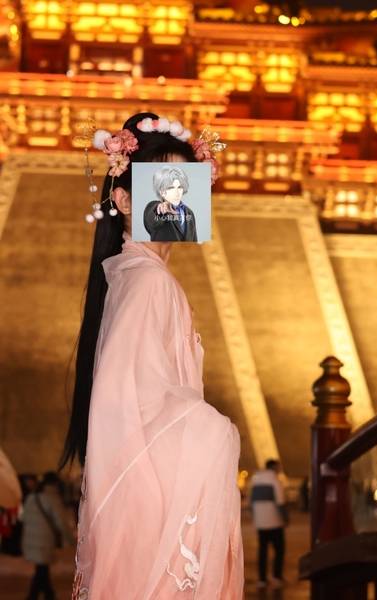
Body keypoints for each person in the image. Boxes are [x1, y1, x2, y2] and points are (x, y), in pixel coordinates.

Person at [59, 112, 244, 599]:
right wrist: (217, 429)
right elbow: (128, 405)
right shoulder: (148, 282)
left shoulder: (134, 276)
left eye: (185, 184)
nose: (175, 196)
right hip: (152, 503)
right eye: (163, 182)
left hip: (142, 496)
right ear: (122, 200)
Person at [21, 471, 75, 600]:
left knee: (41, 569)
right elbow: (61, 522)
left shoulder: (31, 496)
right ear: (55, 483)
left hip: (31, 539)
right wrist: (71, 540)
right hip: (44, 540)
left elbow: (23, 518)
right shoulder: (52, 498)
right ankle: (36, 596)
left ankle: (47, 594)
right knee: (42, 569)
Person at [249, 459, 288, 589]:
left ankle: (262, 579)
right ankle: (277, 576)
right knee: (279, 550)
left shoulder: (255, 480)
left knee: (262, 551)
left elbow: (250, 502)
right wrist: (285, 518)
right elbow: (281, 502)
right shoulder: (275, 481)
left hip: (260, 523)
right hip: (275, 522)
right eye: (278, 467)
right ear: (274, 467)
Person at [143, 166, 198, 241]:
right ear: (161, 191)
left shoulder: (189, 213)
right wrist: (160, 208)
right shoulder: (155, 208)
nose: (177, 192)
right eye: (171, 188)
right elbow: (152, 219)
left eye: (179, 187)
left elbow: (194, 241)